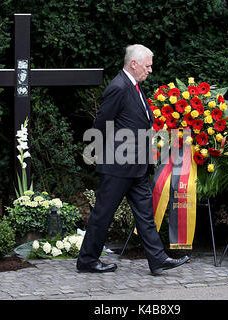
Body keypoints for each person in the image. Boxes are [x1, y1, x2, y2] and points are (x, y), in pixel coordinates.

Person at [76, 44, 189, 275]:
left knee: (145, 215)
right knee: (103, 214)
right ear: (134, 63)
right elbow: (102, 120)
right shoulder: (119, 86)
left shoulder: (133, 85)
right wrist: (96, 147)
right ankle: (87, 260)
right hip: (118, 165)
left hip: (136, 165)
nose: (150, 70)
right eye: (147, 66)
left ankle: (157, 259)